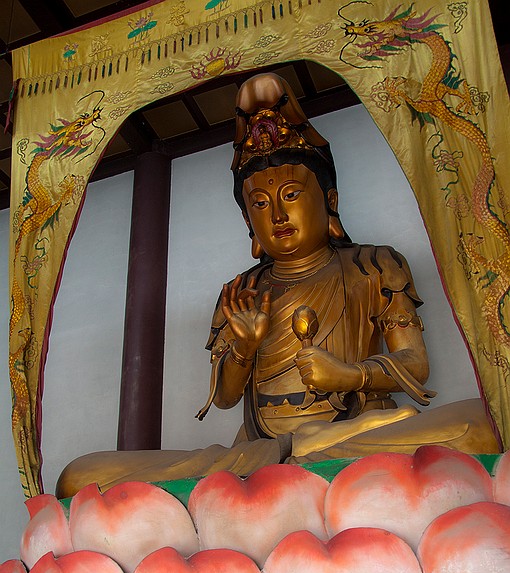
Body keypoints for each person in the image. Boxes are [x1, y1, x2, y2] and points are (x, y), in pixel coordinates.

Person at [56, 74, 498, 498]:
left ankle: (279, 474)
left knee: (481, 424)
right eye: (260, 204)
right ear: (248, 222)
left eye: (290, 195)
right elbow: (226, 398)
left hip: (352, 433)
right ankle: (291, 467)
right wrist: (245, 349)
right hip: (258, 451)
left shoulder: (373, 265)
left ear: (330, 202)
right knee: (80, 477)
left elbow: (414, 365)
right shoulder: (241, 291)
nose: (278, 216)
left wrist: (350, 375)